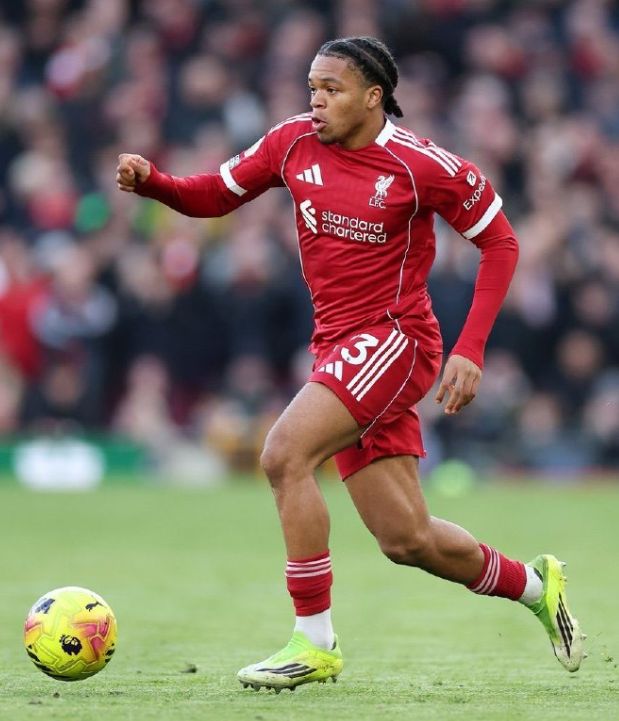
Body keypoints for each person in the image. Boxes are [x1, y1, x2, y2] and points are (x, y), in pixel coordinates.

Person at [116, 36, 585, 692]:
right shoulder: (291, 143)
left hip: (395, 340)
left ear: (372, 97)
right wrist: (155, 184)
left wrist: (470, 348)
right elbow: (217, 194)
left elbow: (500, 242)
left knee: (283, 453)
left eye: (331, 89)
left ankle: (314, 642)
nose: (316, 99)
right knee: (407, 539)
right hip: (337, 346)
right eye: (312, 86)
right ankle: (537, 585)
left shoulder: (421, 165)